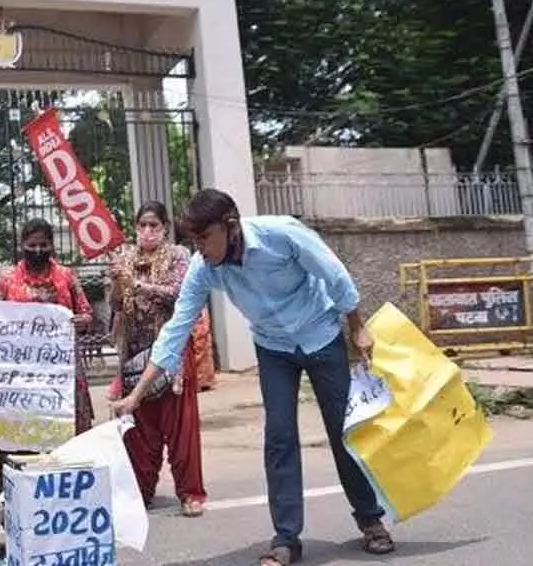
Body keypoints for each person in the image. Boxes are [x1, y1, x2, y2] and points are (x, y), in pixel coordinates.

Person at [111, 189, 395, 566]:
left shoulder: (282, 234)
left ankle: (370, 519)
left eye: (204, 238)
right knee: (279, 437)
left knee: (343, 432)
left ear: (229, 227)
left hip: (320, 334)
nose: (200, 249)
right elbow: (176, 329)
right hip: (273, 347)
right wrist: (137, 395)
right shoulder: (204, 266)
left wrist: (357, 325)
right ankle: (286, 538)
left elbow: (333, 271)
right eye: (193, 240)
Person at [106, 201, 207, 517]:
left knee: (180, 427)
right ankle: (141, 489)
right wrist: (118, 283)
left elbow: (177, 293)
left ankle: (190, 493)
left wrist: (136, 283)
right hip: (134, 353)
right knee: (138, 428)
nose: (147, 232)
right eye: (142, 226)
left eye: (154, 226)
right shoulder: (124, 258)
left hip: (170, 354)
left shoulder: (179, 256)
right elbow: (117, 305)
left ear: (165, 228)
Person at [0, 218, 94, 492]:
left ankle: (68, 496)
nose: (38, 250)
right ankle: (14, 498)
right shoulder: (7, 279)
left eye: (43, 244)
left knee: (67, 434)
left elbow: (86, 313)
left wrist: (81, 321)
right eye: (31, 244)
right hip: (22, 378)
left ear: (51, 245)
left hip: (62, 374)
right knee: (20, 435)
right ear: (22, 245)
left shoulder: (66, 277)